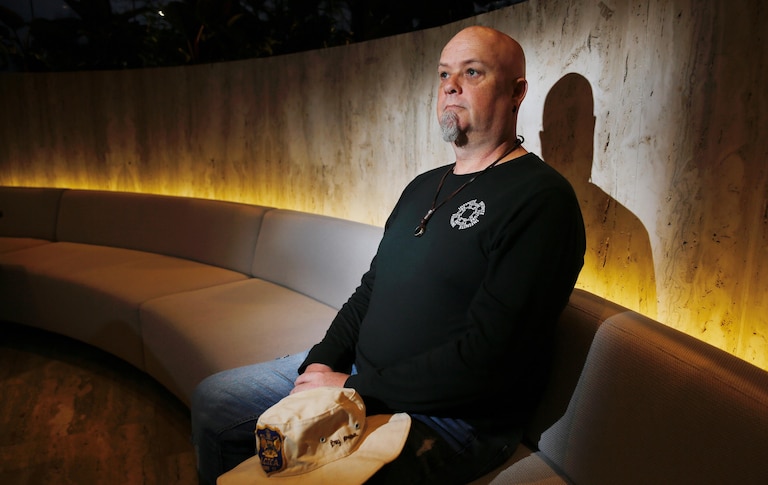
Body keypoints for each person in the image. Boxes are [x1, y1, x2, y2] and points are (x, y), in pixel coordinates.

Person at [191, 25, 586, 484]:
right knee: (214, 401)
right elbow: (371, 289)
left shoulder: (541, 200)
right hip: (362, 377)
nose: (450, 86)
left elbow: (489, 361)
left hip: (450, 417)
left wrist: (356, 388)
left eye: (472, 72)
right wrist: (323, 361)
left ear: (517, 92)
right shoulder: (424, 186)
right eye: (443, 75)